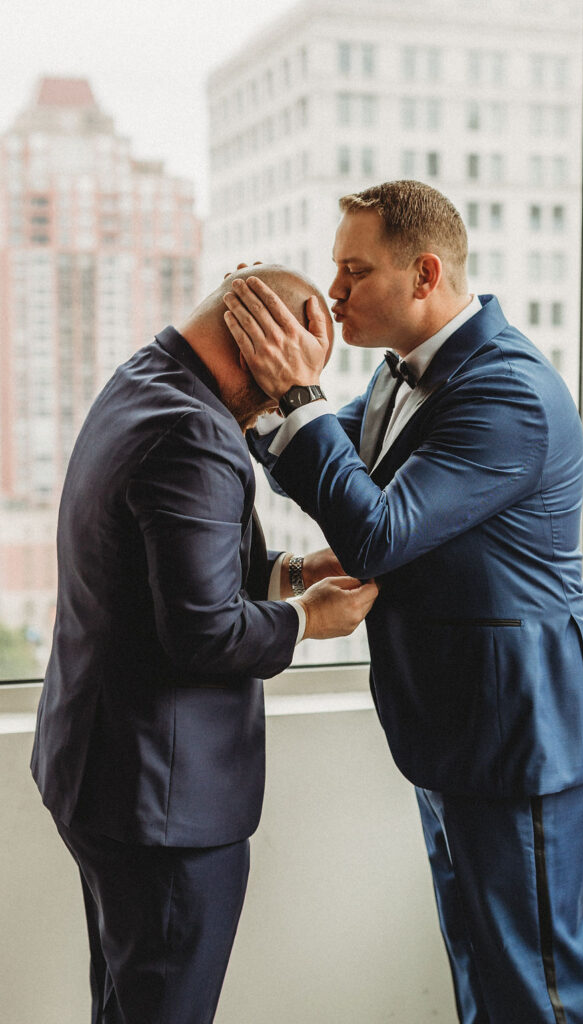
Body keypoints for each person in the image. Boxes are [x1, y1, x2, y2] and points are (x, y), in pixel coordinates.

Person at [223, 180, 583, 1024]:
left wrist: (297, 396)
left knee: (533, 992)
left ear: (424, 274)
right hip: (449, 734)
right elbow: (324, 468)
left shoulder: (508, 391)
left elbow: (375, 530)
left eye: (352, 272)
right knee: (477, 967)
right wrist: (264, 389)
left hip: (520, 743)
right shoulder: (404, 379)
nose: (332, 295)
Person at [30, 264, 378, 1024]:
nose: (278, 402)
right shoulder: (194, 429)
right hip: (163, 807)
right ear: (264, 345)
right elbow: (202, 632)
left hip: (99, 775)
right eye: (289, 381)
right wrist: (309, 619)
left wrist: (285, 573)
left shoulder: (139, 381)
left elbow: (157, 567)